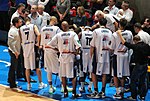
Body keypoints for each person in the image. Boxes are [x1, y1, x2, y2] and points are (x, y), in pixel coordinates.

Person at [47, 21, 81, 98]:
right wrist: (76, 53)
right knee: (73, 76)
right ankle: (74, 92)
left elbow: (49, 44)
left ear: (62, 27)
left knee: (63, 75)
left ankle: (65, 91)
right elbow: (78, 45)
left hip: (62, 57)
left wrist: (58, 50)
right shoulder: (73, 34)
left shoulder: (58, 35)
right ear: (68, 26)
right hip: (70, 57)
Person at [116, 31, 150, 101]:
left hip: (138, 66)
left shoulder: (136, 46)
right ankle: (142, 96)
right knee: (143, 81)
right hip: (145, 65)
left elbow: (124, 43)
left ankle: (133, 96)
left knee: (133, 80)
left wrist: (119, 35)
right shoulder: (147, 46)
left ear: (135, 41)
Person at [87, 18, 114, 98]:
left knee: (93, 72)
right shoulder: (110, 32)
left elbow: (92, 45)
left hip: (98, 55)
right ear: (106, 24)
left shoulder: (96, 31)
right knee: (104, 73)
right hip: (107, 55)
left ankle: (95, 91)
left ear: (99, 23)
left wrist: (90, 56)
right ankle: (103, 91)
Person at [19, 17, 47, 90]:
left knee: (27, 67)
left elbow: (20, 38)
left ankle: (28, 85)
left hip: (25, 47)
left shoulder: (21, 28)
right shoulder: (33, 26)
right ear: (30, 20)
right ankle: (40, 83)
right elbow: (39, 34)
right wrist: (38, 43)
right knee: (37, 67)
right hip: (32, 47)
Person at [112, 18, 133, 99]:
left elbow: (112, 46)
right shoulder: (129, 33)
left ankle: (118, 92)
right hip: (126, 55)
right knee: (123, 74)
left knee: (116, 74)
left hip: (117, 55)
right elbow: (131, 43)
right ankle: (122, 92)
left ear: (119, 24)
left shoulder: (115, 34)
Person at [41, 16, 61, 93]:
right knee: (59, 70)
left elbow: (42, 41)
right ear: (54, 20)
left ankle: (50, 87)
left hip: (46, 50)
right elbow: (61, 38)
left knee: (48, 69)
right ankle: (63, 86)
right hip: (53, 50)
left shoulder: (43, 28)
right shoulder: (56, 29)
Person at [7, 17, 22, 89]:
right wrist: (15, 52)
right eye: (20, 22)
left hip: (16, 51)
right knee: (13, 67)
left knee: (13, 66)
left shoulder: (16, 29)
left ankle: (10, 80)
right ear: (16, 23)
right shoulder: (12, 31)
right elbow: (10, 43)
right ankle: (12, 84)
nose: (21, 23)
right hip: (14, 51)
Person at [79, 26, 93, 93]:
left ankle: (82, 87)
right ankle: (90, 87)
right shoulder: (93, 33)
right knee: (91, 71)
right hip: (91, 52)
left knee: (82, 70)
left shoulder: (81, 33)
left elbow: (78, 42)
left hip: (83, 52)